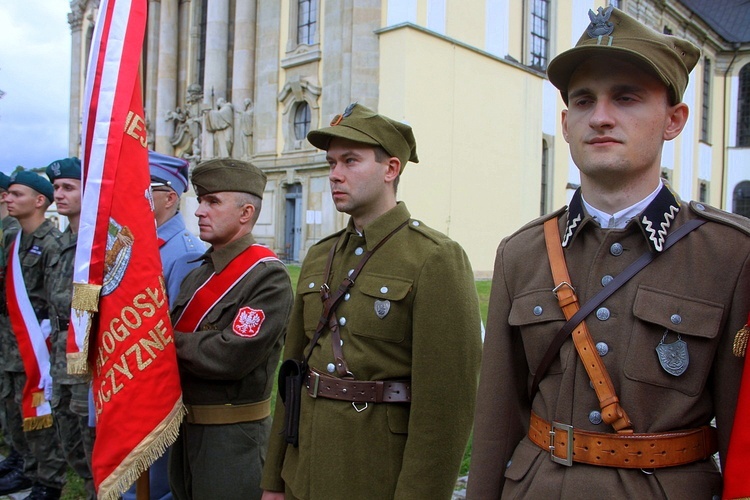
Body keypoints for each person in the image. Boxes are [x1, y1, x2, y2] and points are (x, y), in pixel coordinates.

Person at [467, 6, 750, 499]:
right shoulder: (522, 253)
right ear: (566, 122)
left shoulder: (731, 256)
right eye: (583, 101)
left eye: (626, 97)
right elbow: (496, 421)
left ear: (674, 120)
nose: (600, 117)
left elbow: (742, 434)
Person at [261, 103, 483, 500]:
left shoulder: (433, 257)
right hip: (303, 470)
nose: (335, 174)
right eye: (331, 163)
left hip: (373, 474)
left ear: (390, 169)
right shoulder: (319, 255)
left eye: (350, 161)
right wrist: (274, 480)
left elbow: (445, 409)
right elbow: (292, 375)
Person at [168, 158, 293, 500]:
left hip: (232, 439)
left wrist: (165, 341)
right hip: (186, 430)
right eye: (200, 201)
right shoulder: (199, 272)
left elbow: (229, 355)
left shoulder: (267, 276)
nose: (198, 211)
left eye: (213, 202)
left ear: (245, 212)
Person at [122, 152, 205, 500]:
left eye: (143, 190)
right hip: (127, 382)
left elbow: (177, 332)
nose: (132, 197)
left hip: (155, 392)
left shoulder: (183, 252)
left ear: (170, 198)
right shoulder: (136, 243)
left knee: (155, 487)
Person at [1, 171, 68, 500]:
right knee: (15, 408)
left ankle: (50, 480)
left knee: (39, 412)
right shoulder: (17, 242)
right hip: (14, 344)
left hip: (38, 348)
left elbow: (53, 303)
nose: (8, 199)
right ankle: (27, 467)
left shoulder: (51, 243)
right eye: (8, 194)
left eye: (16, 194)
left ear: (39, 201)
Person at [43, 158, 96, 500]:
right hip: (59, 354)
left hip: (86, 358)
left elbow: (95, 302)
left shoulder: (99, 245)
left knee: (91, 444)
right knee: (69, 441)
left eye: (68, 188)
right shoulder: (57, 243)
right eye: (56, 188)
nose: (58, 195)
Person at [0, 170, 27, 485]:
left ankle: (33, 468)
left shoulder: (15, 233)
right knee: (10, 398)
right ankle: (19, 457)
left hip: (28, 333)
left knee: (26, 400)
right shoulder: (11, 231)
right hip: (11, 331)